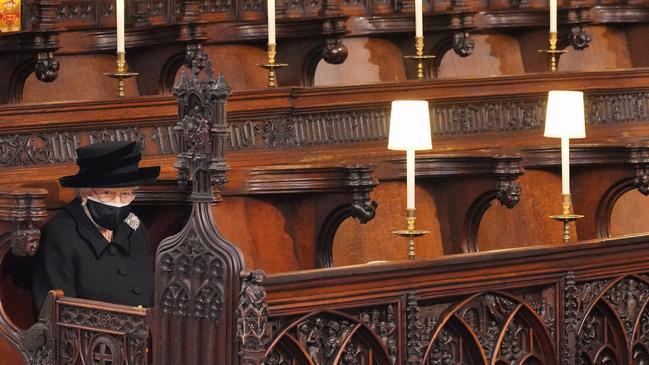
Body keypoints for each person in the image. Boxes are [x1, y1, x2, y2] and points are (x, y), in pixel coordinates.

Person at [32, 141, 160, 313]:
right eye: (108, 193)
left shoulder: (134, 226)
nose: (118, 203)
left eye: (125, 194)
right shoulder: (61, 233)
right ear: (85, 193)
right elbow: (57, 313)